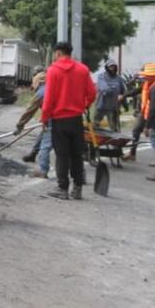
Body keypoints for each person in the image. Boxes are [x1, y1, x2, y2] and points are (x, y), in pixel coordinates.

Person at [40, 41, 96, 200]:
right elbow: (92, 93)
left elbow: (49, 98)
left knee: (62, 155)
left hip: (59, 120)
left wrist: (44, 118)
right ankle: (77, 188)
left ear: (57, 53)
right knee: (76, 154)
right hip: (76, 120)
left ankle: (62, 188)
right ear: (70, 53)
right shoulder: (83, 69)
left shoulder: (53, 70)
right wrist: (83, 105)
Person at [93, 59, 125, 131]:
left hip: (113, 106)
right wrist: (113, 89)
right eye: (110, 66)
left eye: (114, 66)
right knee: (95, 125)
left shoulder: (119, 78)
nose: (112, 68)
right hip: (101, 105)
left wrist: (122, 97)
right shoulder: (101, 77)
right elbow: (104, 88)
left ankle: (115, 140)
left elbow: (122, 91)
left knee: (114, 128)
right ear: (107, 68)